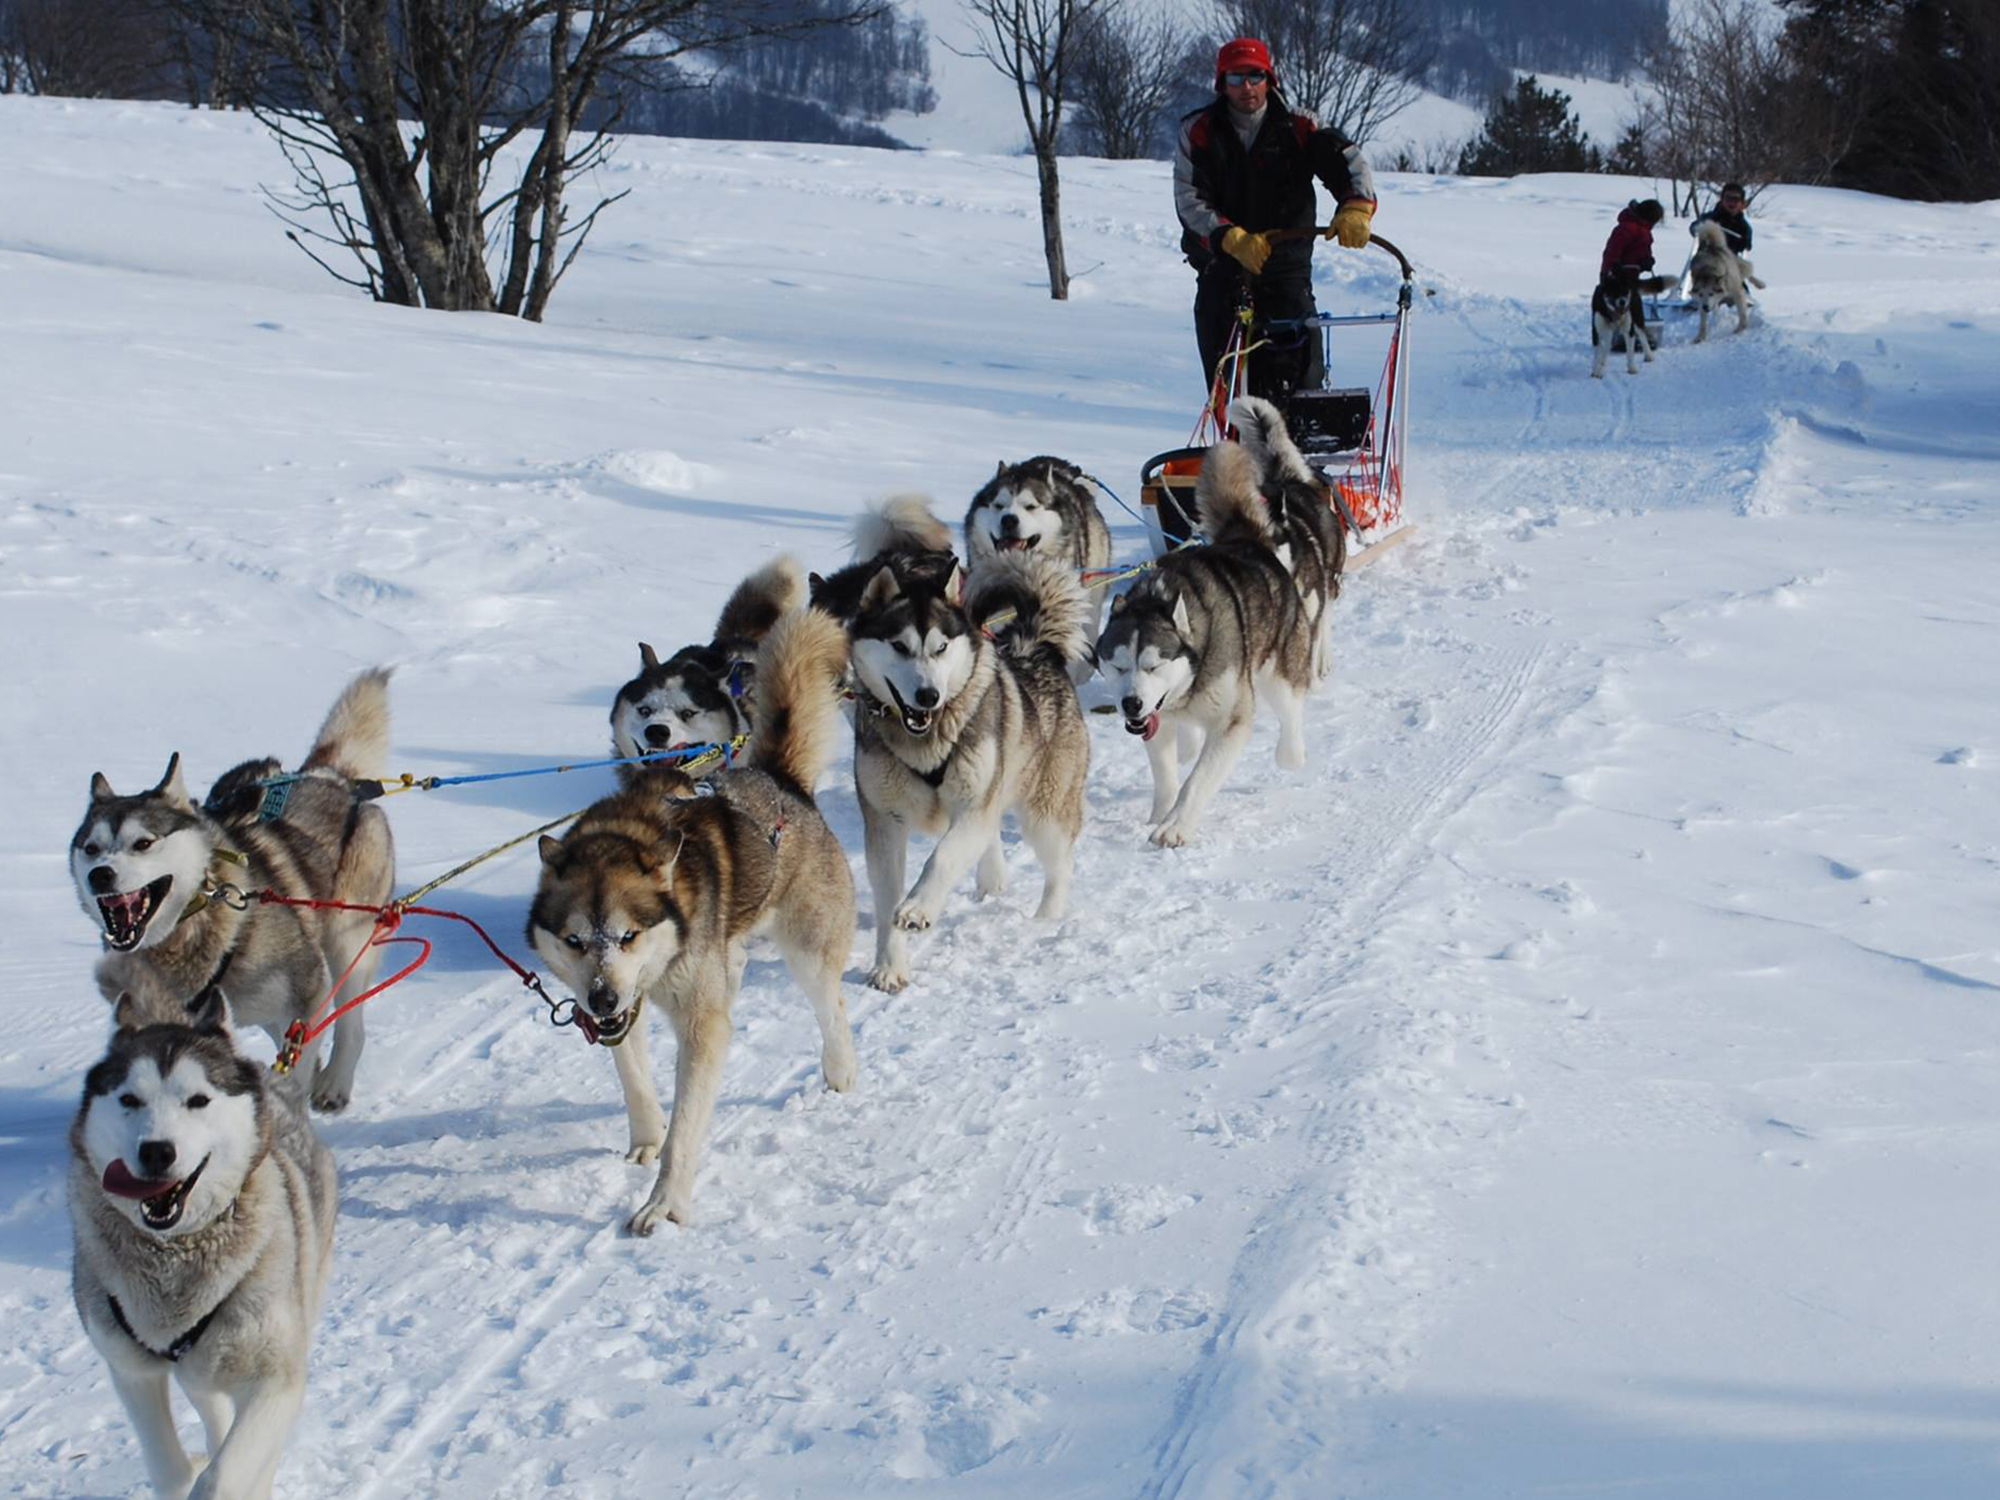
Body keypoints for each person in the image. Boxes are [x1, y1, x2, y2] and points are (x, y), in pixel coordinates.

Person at [1173, 36, 1378, 408]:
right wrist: (1229, 237)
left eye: (1255, 76)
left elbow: (1347, 160)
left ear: (1270, 79)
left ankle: (1299, 459)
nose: (1246, 87)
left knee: (1301, 380)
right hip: (1222, 269)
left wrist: (1355, 207)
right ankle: (1239, 457)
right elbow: (1190, 198)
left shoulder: (1299, 126)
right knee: (1229, 390)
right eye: (1236, 78)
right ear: (1222, 83)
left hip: (1286, 270)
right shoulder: (1198, 131)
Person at [1600, 197, 1665, 336]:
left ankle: (1633, 331)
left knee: (1632, 301)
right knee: (1628, 303)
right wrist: (1612, 268)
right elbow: (1612, 251)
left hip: (1632, 273)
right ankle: (1633, 332)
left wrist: (1647, 260)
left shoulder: (1643, 230)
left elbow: (1643, 250)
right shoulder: (1627, 228)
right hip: (1617, 276)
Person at [1691, 182, 1752, 257]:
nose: (1731, 202)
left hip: (1730, 262)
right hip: (1706, 260)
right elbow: (1693, 228)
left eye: (1735, 199)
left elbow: (1747, 247)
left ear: (1742, 203)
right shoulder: (1710, 218)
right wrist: (1702, 228)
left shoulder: (1744, 227)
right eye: (1728, 198)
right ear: (1722, 199)